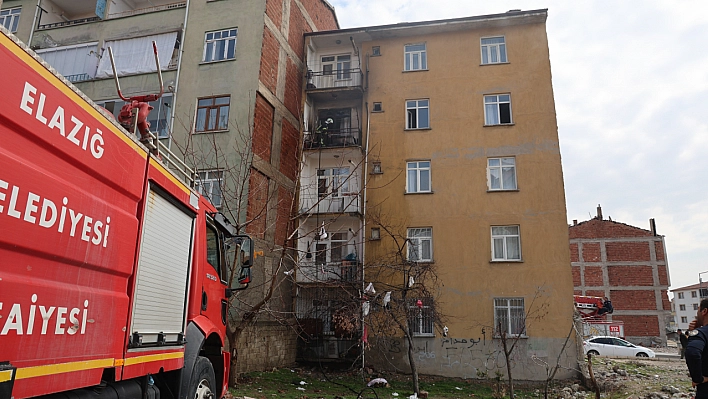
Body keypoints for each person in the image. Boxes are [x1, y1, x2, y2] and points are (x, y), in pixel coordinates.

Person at [685, 298, 708, 398]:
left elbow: (692, 353)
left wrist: (698, 379)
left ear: (704, 311)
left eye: (698, 309)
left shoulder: (701, 334)